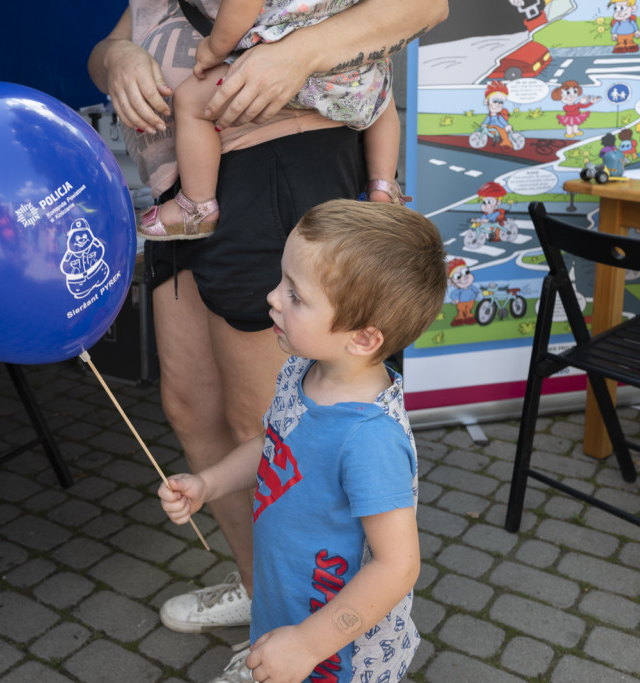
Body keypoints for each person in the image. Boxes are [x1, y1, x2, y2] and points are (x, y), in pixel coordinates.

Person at [88, 0, 448, 649]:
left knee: (277, 428)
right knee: (192, 410)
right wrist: (116, 60)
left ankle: (305, 637)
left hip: (279, 168)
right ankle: (266, 599)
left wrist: (301, 52)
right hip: (182, 194)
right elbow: (113, 40)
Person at [159, 200, 447, 682]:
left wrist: (308, 644)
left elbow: (398, 567)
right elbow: (273, 445)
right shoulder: (301, 369)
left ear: (362, 339)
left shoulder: (369, 439)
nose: (272, 297)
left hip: (338, 651)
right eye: (281, 281)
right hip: (287, 604)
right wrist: (209, 483)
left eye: (295, 295)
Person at [137, 0, 405, 241]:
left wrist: (213, 48)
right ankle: (382, 185)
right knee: (382, 99)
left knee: (190, 101)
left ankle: (197, 205)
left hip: (281, 63)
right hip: (349, 63)